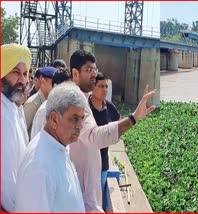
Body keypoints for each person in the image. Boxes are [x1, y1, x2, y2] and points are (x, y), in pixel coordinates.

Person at [69, 49, 156, 212]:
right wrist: (133, 118)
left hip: (89, 175)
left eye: (95, 70)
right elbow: (94, 136)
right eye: (89, 70)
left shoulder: (82, 98)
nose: (94, 74)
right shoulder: (75, 100)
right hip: (81, 183)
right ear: (75, 73)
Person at [14, 83, 87, 212]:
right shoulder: (39, 165)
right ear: (54, 119)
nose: (80, 125)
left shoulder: (58, 147)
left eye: (82, 118)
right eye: (74, 119)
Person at [1, 43, 31, 212]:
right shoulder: (3, 116)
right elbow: (7, 182)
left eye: (25, 73)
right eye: (15, 72)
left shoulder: (13, 107)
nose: (22, 80)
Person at [89, 72, 120, 210]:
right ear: (92, 88)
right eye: (101, 86)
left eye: (106, 86)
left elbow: (118, 126)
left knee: (98, 201)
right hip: (86, 164)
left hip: (103, 164)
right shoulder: (85, 107)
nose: (105, 90)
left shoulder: (110, 108)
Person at [30, 68, 71, 139]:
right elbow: (38, 142)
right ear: (55, 86)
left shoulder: (63, 108)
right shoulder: (44, 111)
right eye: (66, 88)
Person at [24, 66, 57, 136]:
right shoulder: (32, 104)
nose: (55, 87)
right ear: (43, 81)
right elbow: (22, 132)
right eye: (52, 84)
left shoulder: (51, 102)